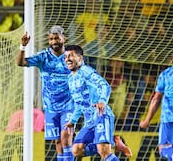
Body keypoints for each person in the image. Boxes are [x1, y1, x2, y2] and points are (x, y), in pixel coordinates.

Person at [63, 45, 132, 160]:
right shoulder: (71, 79)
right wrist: (73, 120)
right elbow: (80, 103)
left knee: (103, 151)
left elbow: (104, 85)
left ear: (80, 58)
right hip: (89, 122)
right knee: (76, 150)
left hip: (101, 115)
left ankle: (110, 143)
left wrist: (102, 101)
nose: (67, 59)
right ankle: (114, 142)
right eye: (66, 56)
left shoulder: (86, 71)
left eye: (71, 56)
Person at [16, 25, 74, 161]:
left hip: (69, 105)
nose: (54, 41)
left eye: (57, 38)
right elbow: (20, 63)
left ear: (63, 38)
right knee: (58, 142)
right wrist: (22, 47)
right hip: (50, 107)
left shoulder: (71, 57)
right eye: (51, 39)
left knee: (66, 139)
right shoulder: (43, 57)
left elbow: (83, 74)